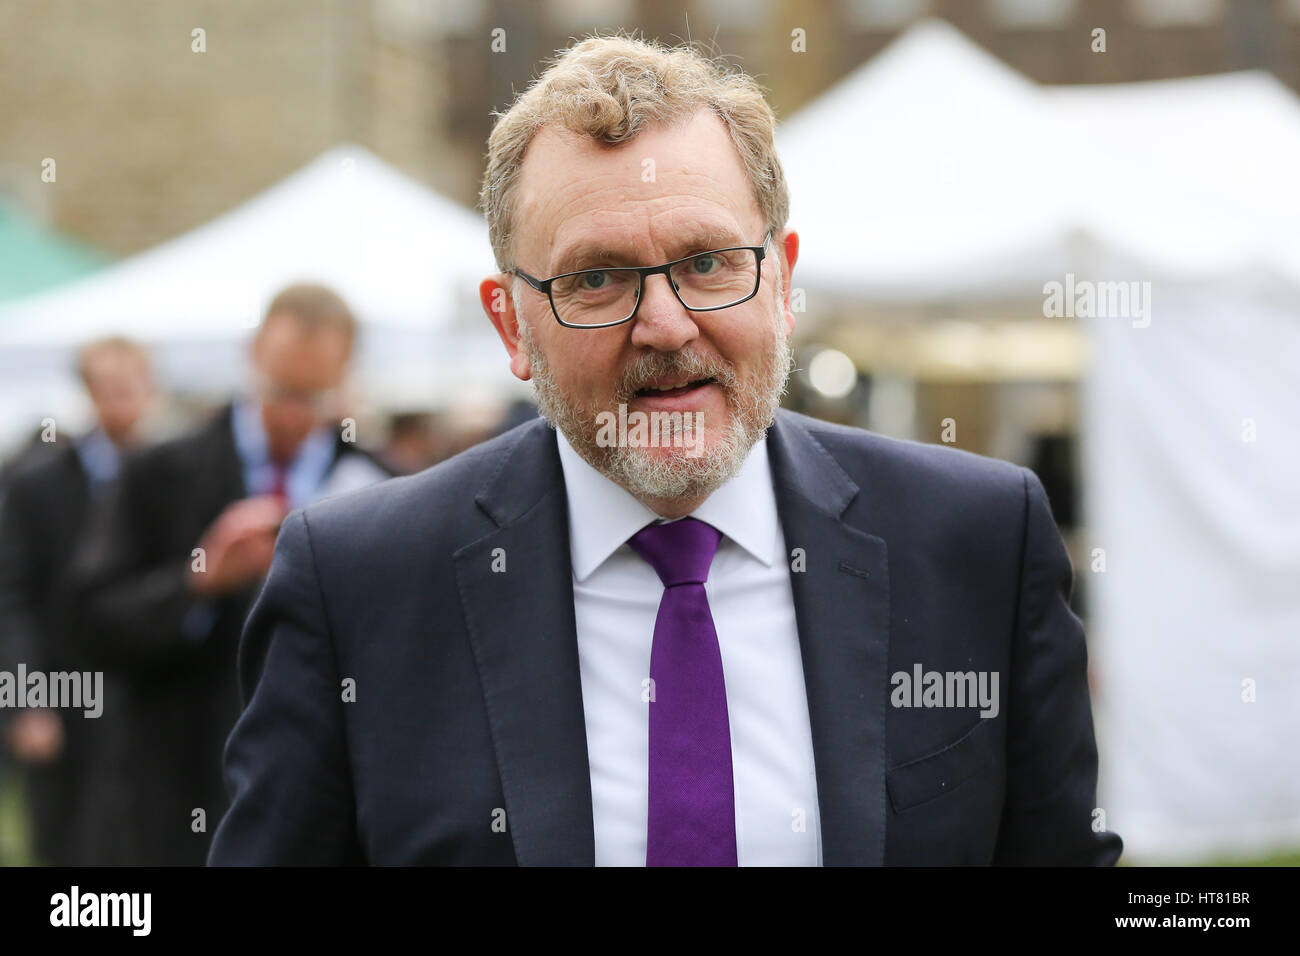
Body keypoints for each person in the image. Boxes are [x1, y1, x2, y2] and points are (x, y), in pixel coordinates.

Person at [209, 36, 1121, 866]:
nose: (666, 324)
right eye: (596, 278)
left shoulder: (976, 542)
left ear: (782, 280)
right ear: (511, 324)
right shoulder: (360, 584)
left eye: (708, 262)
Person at [71, 283, 390, 865]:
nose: (293, 413)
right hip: (182, 791)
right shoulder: (157, 472)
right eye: (280, 390)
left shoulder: (381, 484)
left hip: (327, 802)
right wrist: (198, 580)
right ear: (251, 356)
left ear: (345, 378)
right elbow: (91, 623)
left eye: (313, 395)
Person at [0, 337, 154, 865]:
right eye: (109, 388)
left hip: (146, 697)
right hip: (65, 690)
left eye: (132, 387)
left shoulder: (172, 476)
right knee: (67, 844)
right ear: (88, 392)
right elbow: (12, 596)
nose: (122, 400)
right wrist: (24, 701)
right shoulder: (36, 484)